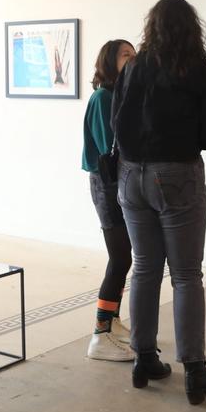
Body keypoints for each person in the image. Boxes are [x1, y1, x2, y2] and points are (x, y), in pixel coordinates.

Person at [112, 0, 206, 405]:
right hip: (177, 175)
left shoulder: (133, 68)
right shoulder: (199, 70)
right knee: (185, 274)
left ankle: (144, 359)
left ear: (152, 27)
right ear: (192, 28)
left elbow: (117, 122)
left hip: (131, 176)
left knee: (145, 268)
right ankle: (195, 371)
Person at [82, 39, 137, 361]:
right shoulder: (103, 97)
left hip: (117, 183)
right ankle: (100, 334)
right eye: (125, 55)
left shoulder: (119, 95)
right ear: (109, 61)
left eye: (134, 54)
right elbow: (110, 148)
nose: (132, 59)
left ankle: (112, 321)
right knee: (119, 259)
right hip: (107, 185)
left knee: (124, 258)